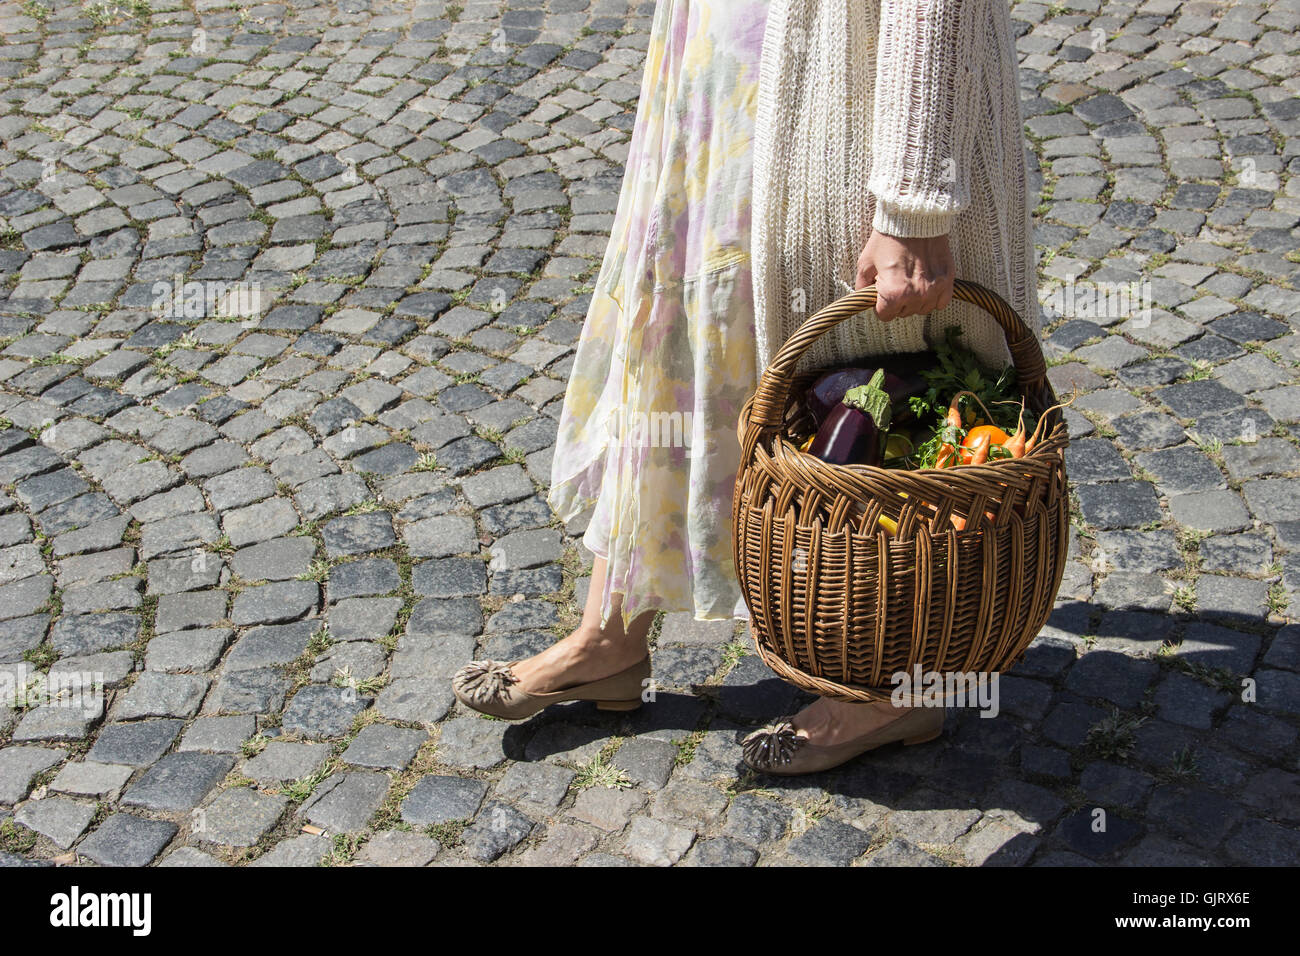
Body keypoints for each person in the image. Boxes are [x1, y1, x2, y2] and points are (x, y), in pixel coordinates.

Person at [452, 0, 1037, 776]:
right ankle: (612, 633)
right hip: (720, 68)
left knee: (866, 387)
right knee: (679, 341)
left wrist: (911, 200)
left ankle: (892, 688)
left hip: (835, 93)